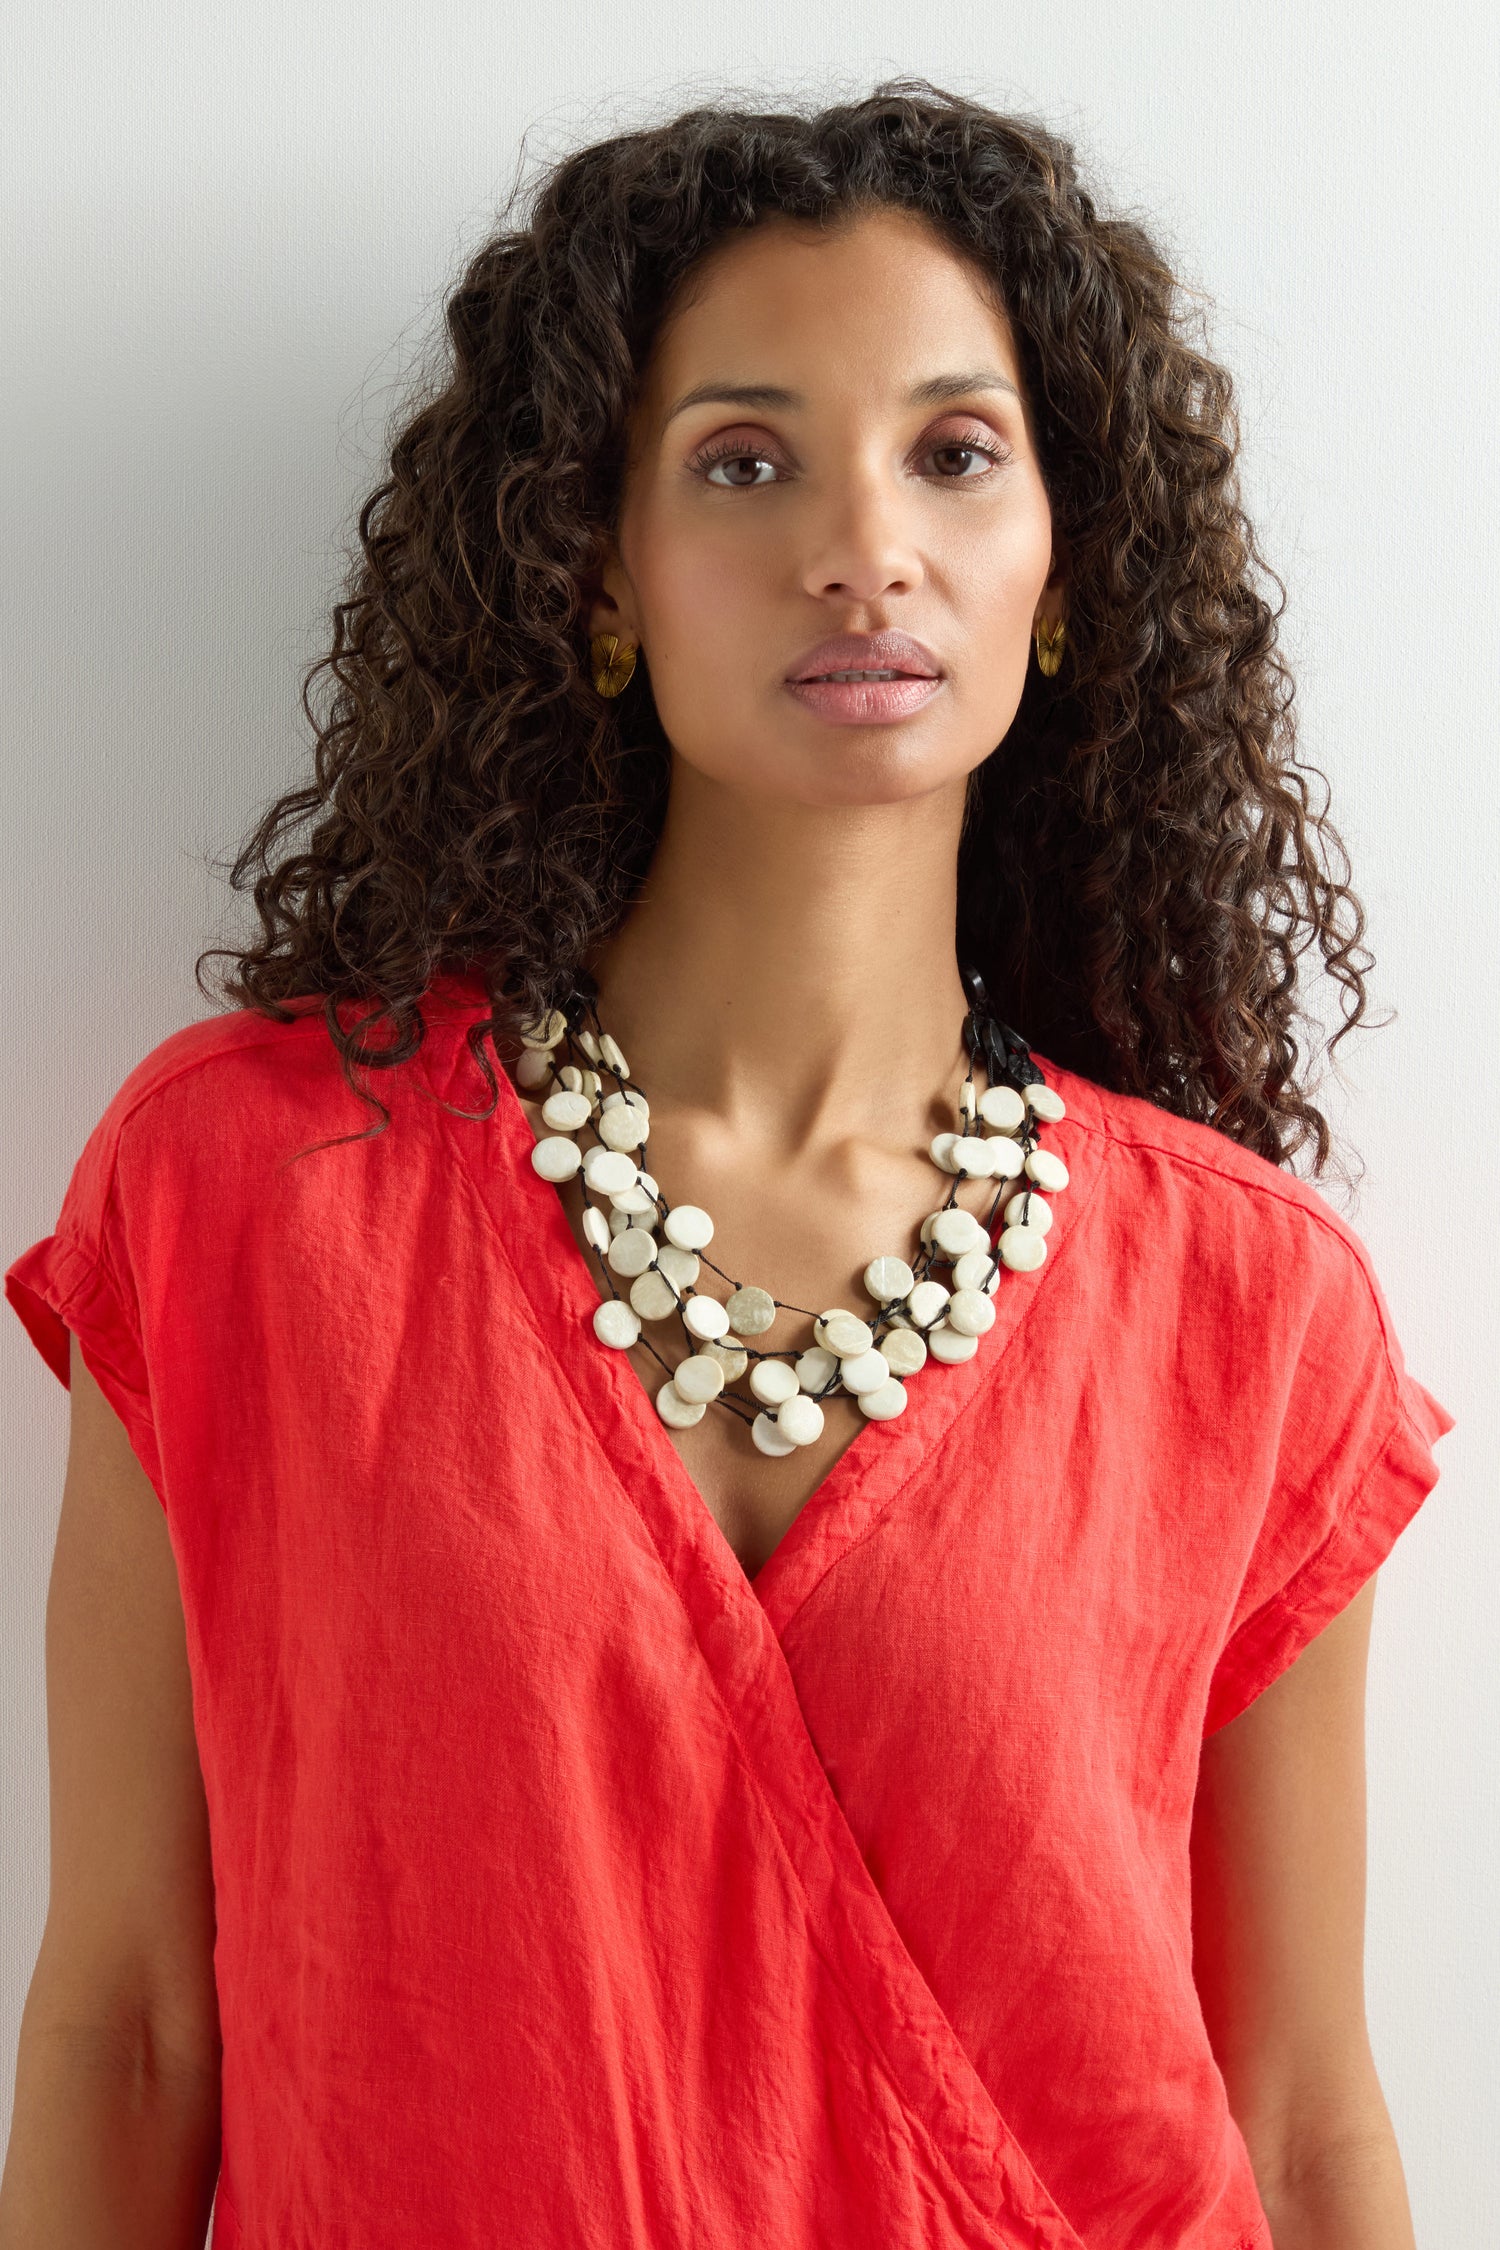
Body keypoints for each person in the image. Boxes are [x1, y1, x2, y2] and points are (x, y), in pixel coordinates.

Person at [0, 81, 1452, 2250]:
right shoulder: (248, 1199)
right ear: (598, 571)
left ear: (1065, 574)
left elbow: (1306, 2113)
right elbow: (126, 2022)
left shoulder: (1251, 1313)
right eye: (746, 460)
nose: (863, 542)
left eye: (956, 452)